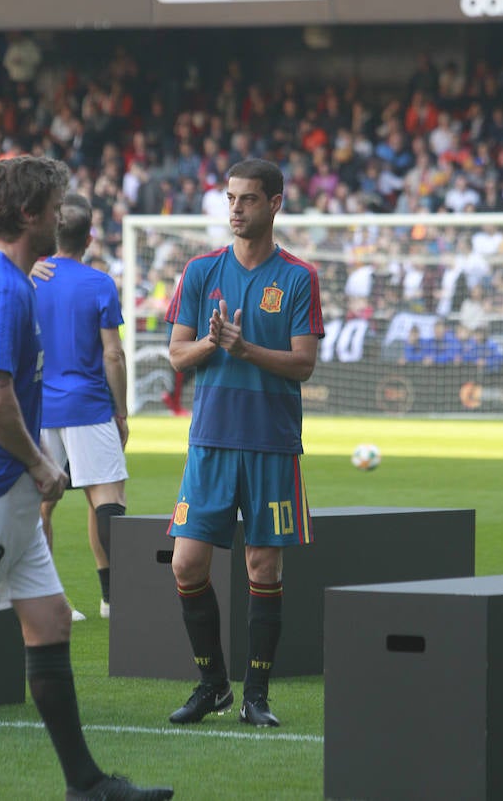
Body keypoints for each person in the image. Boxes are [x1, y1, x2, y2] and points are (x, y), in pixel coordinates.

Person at [0, 156, 173, 801]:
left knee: (50, 623)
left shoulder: (13, 281)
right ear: (31, 215)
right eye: (56, 202)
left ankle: (86, 785)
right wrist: (43, 465)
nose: (64, 211)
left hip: (6, 492)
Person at [165, 158, 324, 728]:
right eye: (231, 198)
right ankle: (212, 685)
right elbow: (177, 354)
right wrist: (213, 344)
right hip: (209, 440)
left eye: (248, 199)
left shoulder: (298, 277)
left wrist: (245, 347)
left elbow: (303, 365)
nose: (236, 208)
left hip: (271, 442)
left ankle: (256, 695)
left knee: (264, 565)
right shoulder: (201, 271)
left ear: (275, 204)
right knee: (186, 562)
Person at [32, 193, 129, 621]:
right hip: (89, 405)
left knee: (39, 506)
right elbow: (113, 354)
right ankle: (115, 598)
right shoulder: (99, 282)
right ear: (90, 236)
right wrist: (121, 412)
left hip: (38, 409)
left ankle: (49, 602)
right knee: (106, 499)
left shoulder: (27, 278)